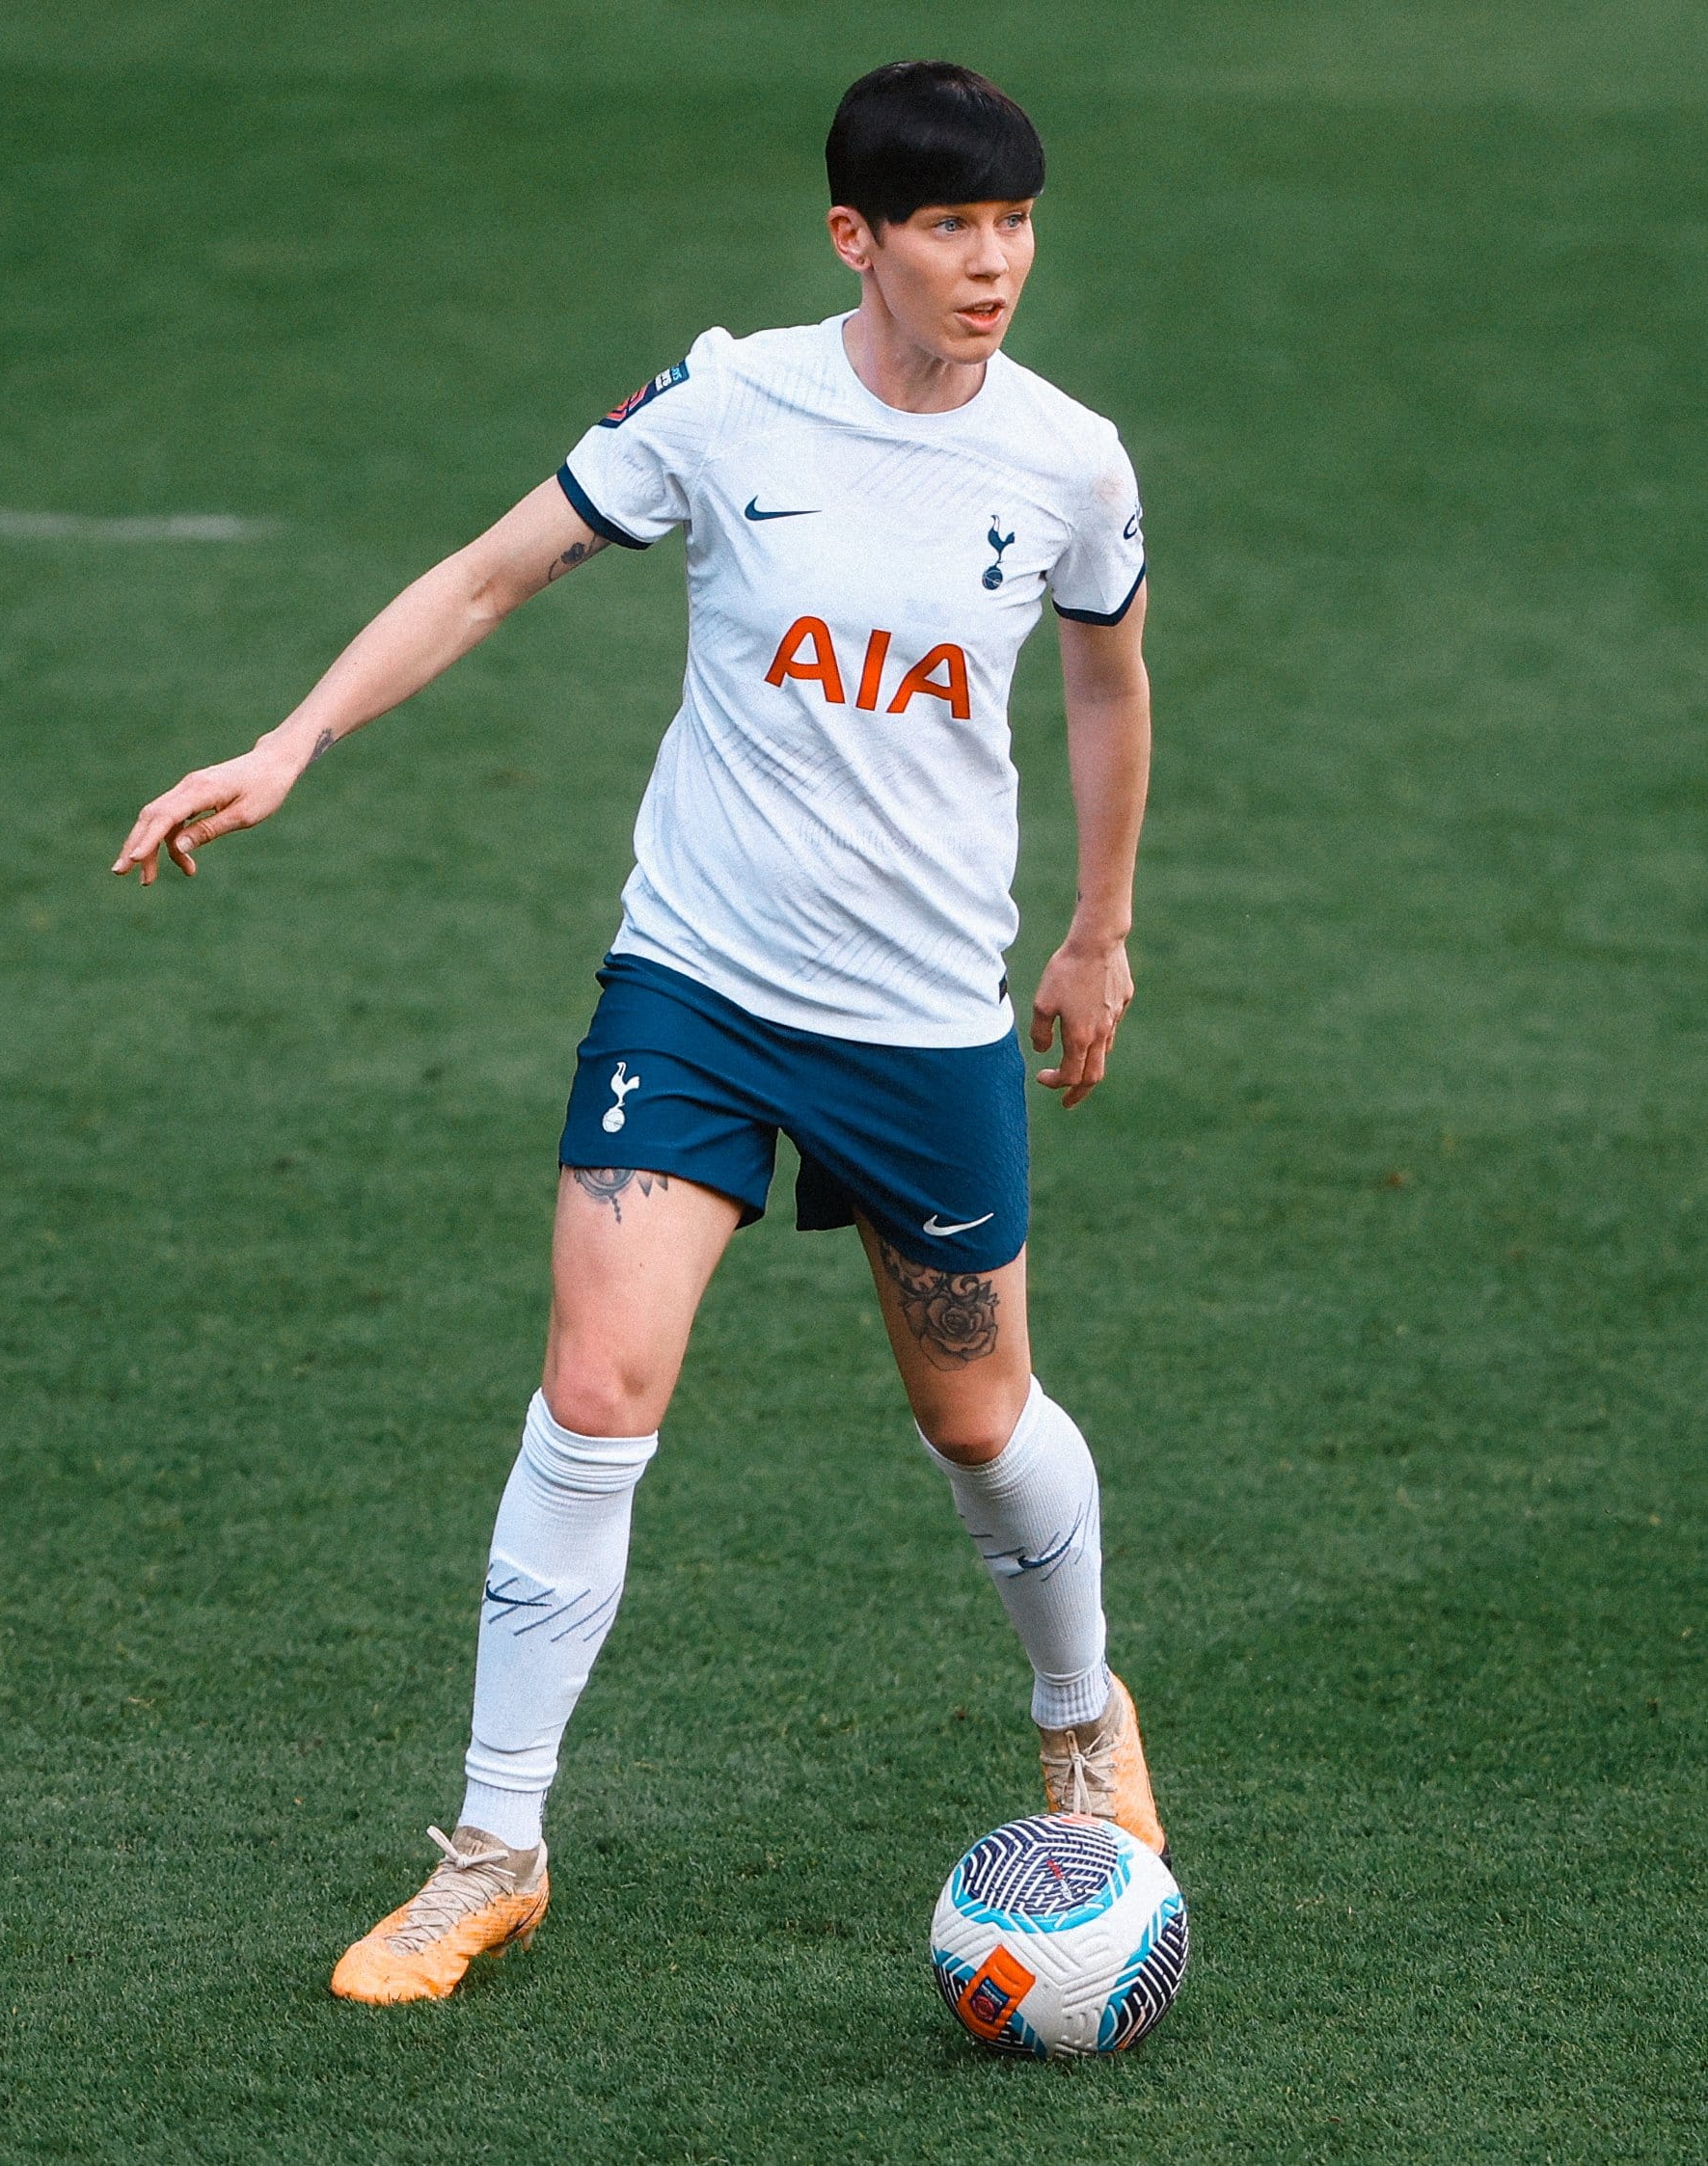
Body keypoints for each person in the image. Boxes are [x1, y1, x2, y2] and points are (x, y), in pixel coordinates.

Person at [113, 60, 1165, 2006]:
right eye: (946, 226)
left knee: (974, 1419)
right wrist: (289, 741)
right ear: (855, 237)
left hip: (921, 1024)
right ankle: (489, 1846)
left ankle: (1077, 1714)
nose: (989, 262)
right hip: (690, 990)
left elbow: (1107, 689)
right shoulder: (724, 400)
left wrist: (1094, 935)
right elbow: (492, 572)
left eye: (1011, 224)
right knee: (596, 1392)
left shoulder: (1067, 464)